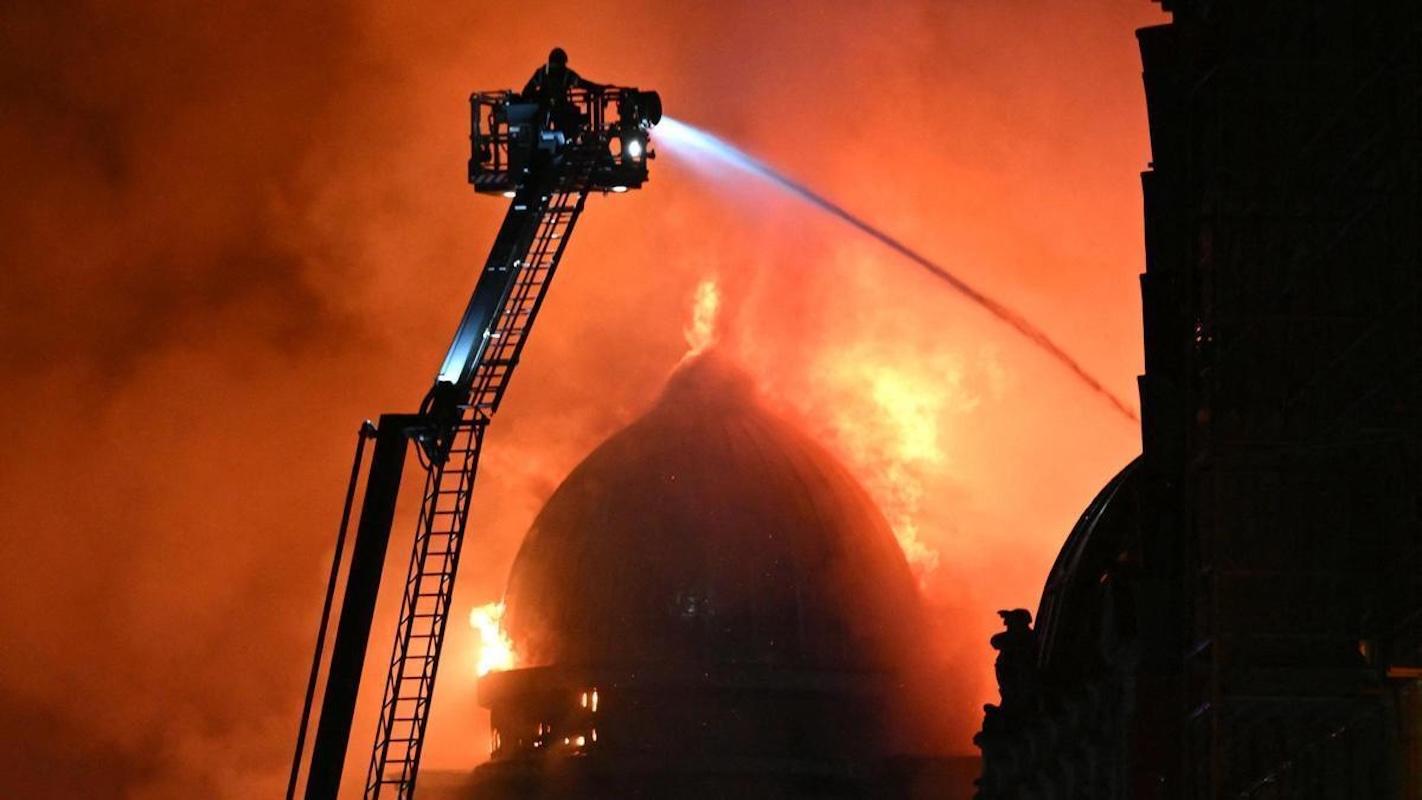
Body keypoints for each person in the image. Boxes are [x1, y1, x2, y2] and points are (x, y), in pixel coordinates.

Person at [522, 48, 604, 134]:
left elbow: (527, 91)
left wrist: (535, 99)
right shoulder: (566, 74)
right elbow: (581, 83)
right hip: (561, 112)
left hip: (545, 111)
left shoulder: (541, 73)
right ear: (563, 62)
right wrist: (598, 88)